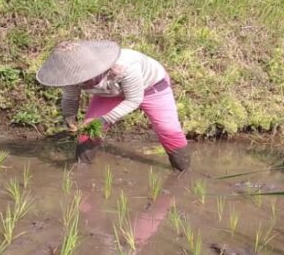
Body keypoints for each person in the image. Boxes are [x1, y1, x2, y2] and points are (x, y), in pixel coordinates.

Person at [36, 40, 191, 172]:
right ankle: (81, 170)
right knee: (89, 131)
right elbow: (70, 97)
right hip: (109, 93)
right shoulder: (70, 74)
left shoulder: (124, 67)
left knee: (168, 130)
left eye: (84, 78)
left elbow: (134, 100)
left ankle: (182, 172)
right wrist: (69, 118)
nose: (80, 82)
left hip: (151, 88)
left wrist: (105, 119)